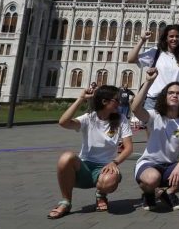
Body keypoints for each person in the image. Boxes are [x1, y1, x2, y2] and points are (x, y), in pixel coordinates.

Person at [47, 83, 134, 219]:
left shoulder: (121, 119)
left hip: (105, 168)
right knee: (66, 157)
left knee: (109, 181)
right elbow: (63, 122)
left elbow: (128, 148)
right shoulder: (89, 118)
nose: (120, 103)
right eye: (116, 100)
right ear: (104, 101)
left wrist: (114, 162)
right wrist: (81, 98)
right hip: (85, 167)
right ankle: (65, 202)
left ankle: (101, 194)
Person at [131, 70, 179, 211]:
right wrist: (149, 82)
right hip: (149, 164)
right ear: (165, 96)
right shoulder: (154, 116)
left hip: (171, 166)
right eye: (170, 92)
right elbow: (135, 108)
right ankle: (149, 193)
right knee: (152, 178)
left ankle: (168, 193)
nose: (175, 95)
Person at [127, 25, 179, 110]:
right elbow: (131, 59)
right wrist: (142, 40)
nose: (174, 39)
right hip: (154, 101)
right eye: (171, 36)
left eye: (177, 36)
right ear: (166, 38)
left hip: (174, 102)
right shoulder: (156, 52)